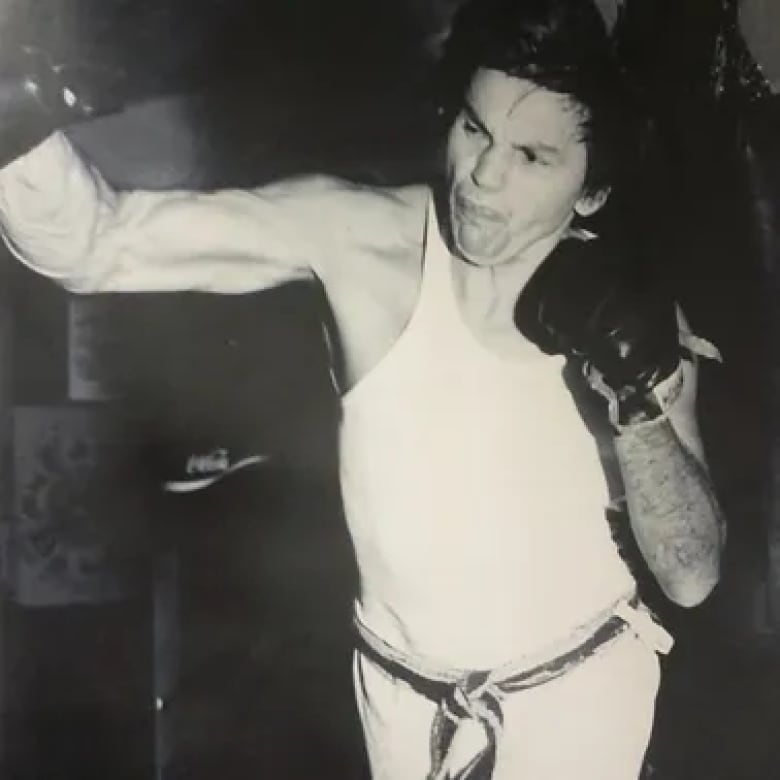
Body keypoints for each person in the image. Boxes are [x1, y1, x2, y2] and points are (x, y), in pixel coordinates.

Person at [0, 0, 724, 777]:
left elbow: (691, 575)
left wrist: (635, 403)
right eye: (475, 129)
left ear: (592, 192)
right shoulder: (364, 240)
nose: (483, 175)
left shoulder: (634, 316)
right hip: (400, 702)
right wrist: (12, 104)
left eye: (532, 157)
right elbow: (98, 243)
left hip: (579, 696)